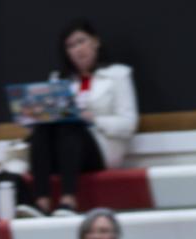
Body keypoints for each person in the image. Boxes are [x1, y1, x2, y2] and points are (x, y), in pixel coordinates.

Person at [25, 18, 138, 217]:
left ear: (95, 41)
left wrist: (93, 119)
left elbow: (129, 123)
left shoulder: (118, 75)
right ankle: (41, 202)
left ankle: (69, 199)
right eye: (70, 46)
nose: (77, 50)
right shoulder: (58, 79)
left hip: (101, 147)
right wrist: (32, 119)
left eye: (81, 41)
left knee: (71, 125)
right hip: (62, 149)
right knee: (45, 126)